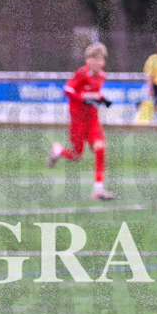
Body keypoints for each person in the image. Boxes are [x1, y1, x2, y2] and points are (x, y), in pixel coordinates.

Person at [47, 43, 115, 200]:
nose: (98, 63)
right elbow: (68, 90)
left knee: (100, 149)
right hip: (78, 119)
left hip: (92, 119)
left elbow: (95, 94)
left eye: (100, 60)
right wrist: (82, 99)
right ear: (88, 60)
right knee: (77, 154)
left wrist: (104, 100)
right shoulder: (82, 73)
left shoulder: (102, 76)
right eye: (94, 59)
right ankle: (58, 150)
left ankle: (98, 191)